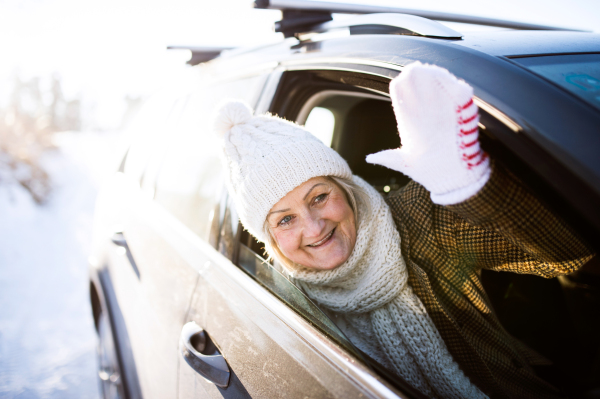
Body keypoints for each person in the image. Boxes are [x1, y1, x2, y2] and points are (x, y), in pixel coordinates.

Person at [213, 62, 594, 398]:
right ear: (268, 238)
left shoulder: (414, 220)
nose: (314, 227)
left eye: (319, 197)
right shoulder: (275, 300)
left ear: (346, 189)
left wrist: (471, 189)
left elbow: (570, 250)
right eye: (285, 219)